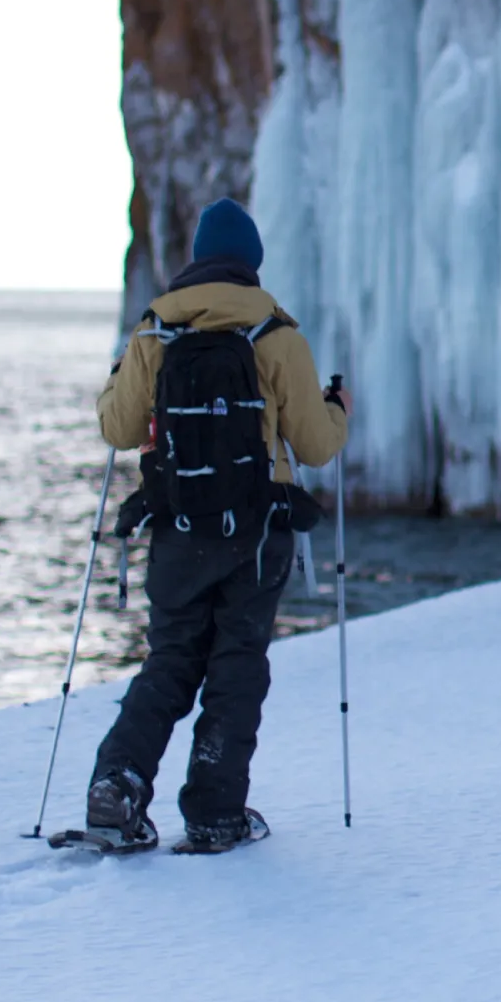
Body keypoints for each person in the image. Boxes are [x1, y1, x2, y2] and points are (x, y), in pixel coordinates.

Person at [79, 197, 350, 854]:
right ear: (251, 263)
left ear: (198, 259)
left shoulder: (154, 329)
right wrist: (336, 408)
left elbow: (116, 428)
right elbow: (314, 445)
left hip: (176, 528)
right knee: (236, 664)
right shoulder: (275, 333)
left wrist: (121, 373)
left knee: (170, 658)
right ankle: (215, 811)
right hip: (258, 532)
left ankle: (117, 783)